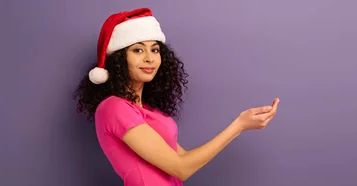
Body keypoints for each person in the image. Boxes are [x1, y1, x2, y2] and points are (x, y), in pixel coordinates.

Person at [73, 7, 280, 186]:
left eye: (155, 50)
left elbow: (183, 159)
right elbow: (181, 168)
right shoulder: (114, 108)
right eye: (138, 50)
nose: (149, 58)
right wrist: (238, 126)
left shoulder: (149, 111)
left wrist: (242, 126)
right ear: (119, 59)